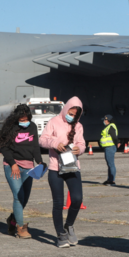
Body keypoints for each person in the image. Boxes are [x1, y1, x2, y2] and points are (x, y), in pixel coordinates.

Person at [39, 97, 86, 248]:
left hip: (72, 167)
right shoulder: (54, 122)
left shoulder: (78, 126)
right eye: (70, 113)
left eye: (74, 115)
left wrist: (81, 149)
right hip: (55, 168)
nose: (71, 117)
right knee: (58, 203)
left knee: (77, 199)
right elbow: (42, 140)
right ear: (66, 109)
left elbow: (81, 143)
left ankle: (69, 225)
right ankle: (60, 234)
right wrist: (54, 143)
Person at [0, 104, 43, 238]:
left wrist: (39, 162)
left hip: (28, 167)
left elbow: (35, 147)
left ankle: (12, 220)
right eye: (21, 120)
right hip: (13, 166)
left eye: (25, 120)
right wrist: (13, 163)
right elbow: (4, 147)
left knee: (25, 198)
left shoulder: (32, 126)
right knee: (18, 196)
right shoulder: (10, 127)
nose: (24, 122)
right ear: (16, 118)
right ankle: (21, 229)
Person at [100, 114, 120, 186]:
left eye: (104, 120)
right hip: (108, 147)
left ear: (108, 120)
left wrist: (117, 143)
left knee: (111, 164)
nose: (103, 121)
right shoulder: (109, 126)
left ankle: (112, 181)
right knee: (109, 164)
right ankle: (109, 179)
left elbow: (114, 137)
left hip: (110, 147)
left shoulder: (111, 127)